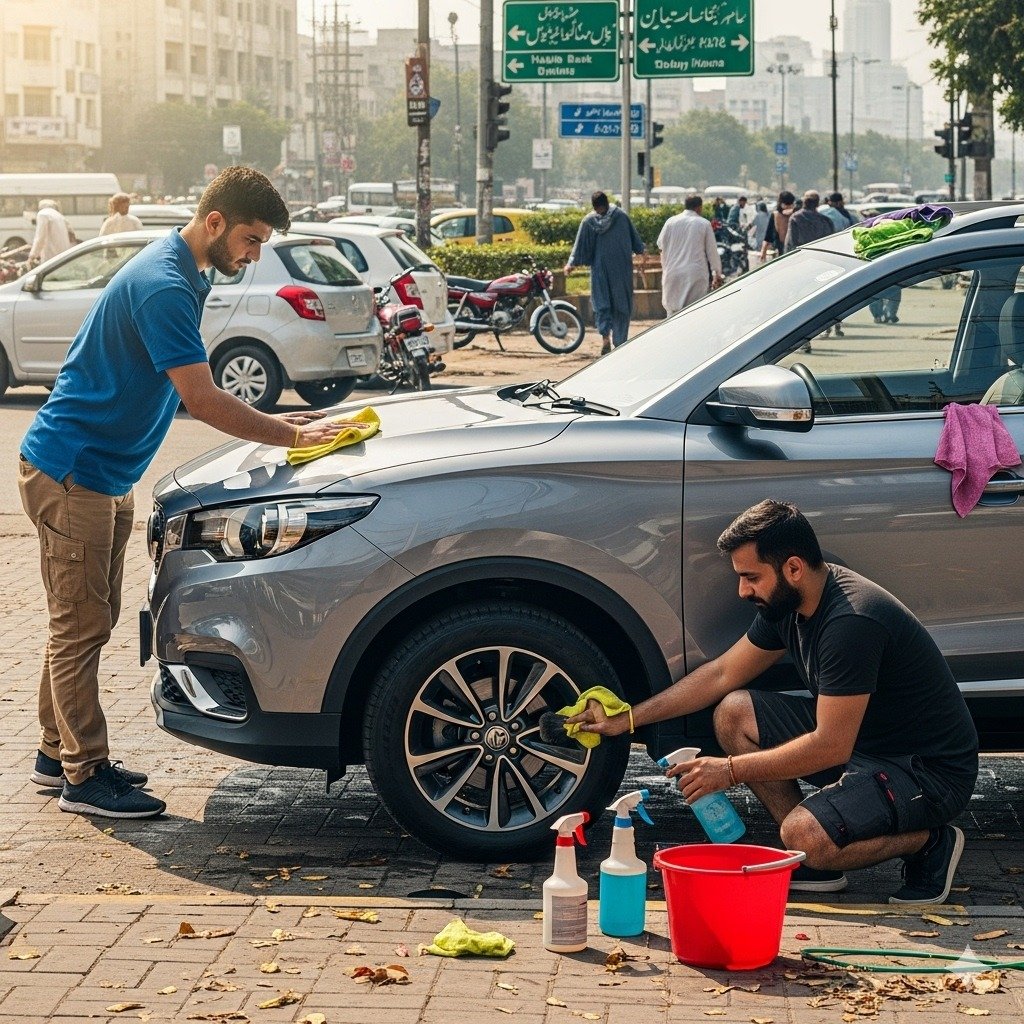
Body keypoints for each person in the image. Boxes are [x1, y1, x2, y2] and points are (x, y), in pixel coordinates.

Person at [18, 166, 358, 820]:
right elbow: (201, 399)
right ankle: (83, 779)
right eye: (252, 240)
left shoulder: (188, 272)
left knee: (83, 620)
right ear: (215, 223)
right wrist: (293, 437)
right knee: (79, 625)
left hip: (100, 473)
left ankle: (53, 752)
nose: (255, 254)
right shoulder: (165, 285)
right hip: (71, 472)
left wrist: (292, 424)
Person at [568, 499, 978, 905]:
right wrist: (627, 719)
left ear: (793, 568)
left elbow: (830, 745)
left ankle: (929, 842)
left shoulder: (850, 622)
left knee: (804, 837)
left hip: (926, 771)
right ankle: (817, 860)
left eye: (751, 577)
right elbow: (723, 673)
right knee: (734, 713)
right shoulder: (791, 602)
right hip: (865, 743)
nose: (742, 591)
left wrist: (728, 771)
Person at [564, 191, 645, 354]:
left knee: (602, 305)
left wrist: (571, 264)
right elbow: (636, 242)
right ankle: (618, 341)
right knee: (619, 306)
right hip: (620, 270)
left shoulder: (589, 221)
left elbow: (579, 247)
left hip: (601, 271)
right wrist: (642, 253)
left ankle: (607, 338)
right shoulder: (621, 217)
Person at [657, 193, 723, 315]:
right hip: (695, 275)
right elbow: (712, 252)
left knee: (672, 316)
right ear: (699, 208)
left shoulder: (670, 222)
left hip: (672, 274)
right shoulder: (703, 224)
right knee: (694, 314)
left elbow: (661, 248)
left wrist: (665, 268)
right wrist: (717, 274)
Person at [28, 199, 72, 265]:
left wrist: (32, 256)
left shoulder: (43, 214)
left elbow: (40, 237)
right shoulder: (59, 216)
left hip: (51, 258)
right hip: (63, 256)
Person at [760, 191, 796, 262]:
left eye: (790, 204)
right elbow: (768, 236)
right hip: (781, 253)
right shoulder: (775, 215)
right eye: (787, 204)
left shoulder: (796, 215)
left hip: (795, 252)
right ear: (781, 203)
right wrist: (763, 252)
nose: (789, 206)